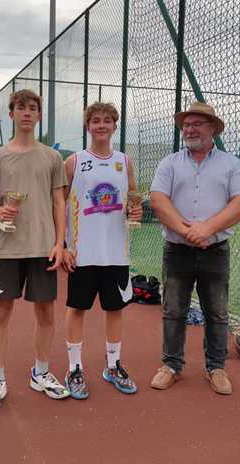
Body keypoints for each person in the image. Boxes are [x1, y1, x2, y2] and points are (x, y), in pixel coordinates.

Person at [149, 102, 240, 395]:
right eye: (186, 125)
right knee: (173, 310)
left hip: (215, 250)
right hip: (177, 248)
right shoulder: (169, 163)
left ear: (213, 129)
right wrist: (188, 231)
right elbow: (158, 200)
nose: (190, 129)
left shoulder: (231, 164)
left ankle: (216, 368)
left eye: (197, 124)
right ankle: (171, 366)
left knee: (217, 312)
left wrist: (207, 229)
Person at [0, 89, 69, 412]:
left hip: (43, 248)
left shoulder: (52, 157)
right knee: (0, 313)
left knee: (45, 313)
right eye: (21, 108)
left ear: (39, 115)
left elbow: (59, 202)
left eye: (33, 108)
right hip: (7, 249)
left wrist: (60, 243)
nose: (27, 113)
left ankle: (41, 372)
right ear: (11, 114)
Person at [62, 102, 143, 399]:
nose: (101, 125)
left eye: (107, 121)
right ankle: (74, 368)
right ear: (87, 125)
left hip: (115, 252)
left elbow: (133, 200)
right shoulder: (73, 161)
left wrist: (136, 212)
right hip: (82, 251)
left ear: (114, 126)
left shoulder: (125, 161)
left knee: (115, 309)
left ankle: (112, 365)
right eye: (95, 120)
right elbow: (59, 204)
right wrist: (62, 245)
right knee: (77, 308)